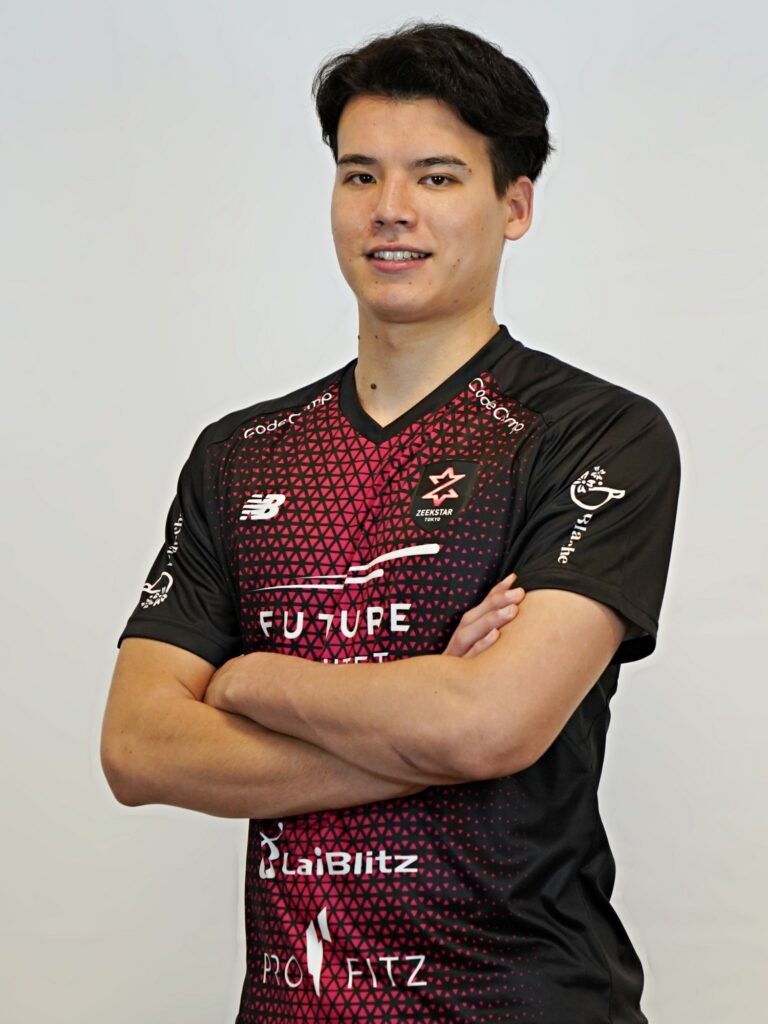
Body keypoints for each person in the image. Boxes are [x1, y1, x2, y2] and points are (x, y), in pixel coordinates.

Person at [101, 21, 680, 1024]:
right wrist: (427, 723)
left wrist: (252, 680)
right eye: (359, 174)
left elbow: (489, 723)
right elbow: (139, 747)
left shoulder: (594, 434)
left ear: (515, 205)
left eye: (437, 177)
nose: (390, 209)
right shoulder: (240, 453)